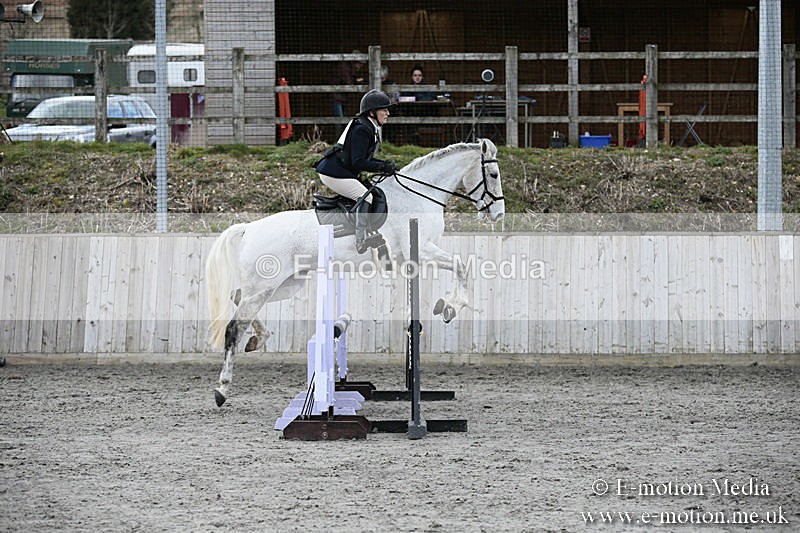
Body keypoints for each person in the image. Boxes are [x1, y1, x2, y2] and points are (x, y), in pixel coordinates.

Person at [315, 90, 398, 254]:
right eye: (384, 110)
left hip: (341, 170)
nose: (388, 113)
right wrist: (382, 167)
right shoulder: (362, 129)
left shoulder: (367, 126)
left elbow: (361, 160)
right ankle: (361, 239)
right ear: (372, 112)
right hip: (333, 173)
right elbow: (358, 162)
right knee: (366, 196)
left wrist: (385, 165)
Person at [330, 50, 365, 135]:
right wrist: (357, 81)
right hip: (337, 97)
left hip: (342, 98)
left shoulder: (349, 69)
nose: (360, 66)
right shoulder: (344, 68)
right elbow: (348, 83)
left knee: (343, 120)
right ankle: (339, 141)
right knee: (340, 121)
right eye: (359, 64)